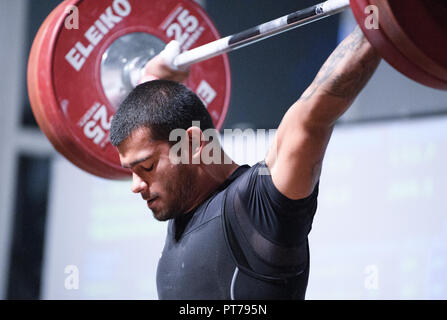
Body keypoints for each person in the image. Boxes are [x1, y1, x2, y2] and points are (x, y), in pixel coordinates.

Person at [109, 26, 381, 299]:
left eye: (146, 167)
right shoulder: (182, 202)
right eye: (131, 170)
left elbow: (312, 115)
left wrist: (378, 19)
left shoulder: (258, 208)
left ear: (190, 145)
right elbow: (152, 120)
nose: (136, 185)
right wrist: (153, 79)